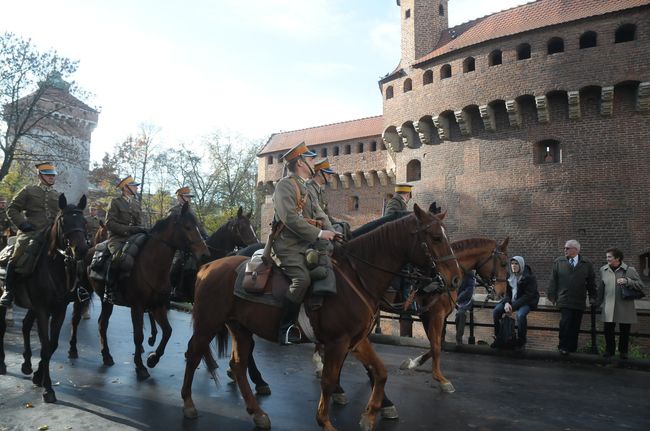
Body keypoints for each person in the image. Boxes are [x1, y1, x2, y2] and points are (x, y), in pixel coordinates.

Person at [271, 142, 338, 344]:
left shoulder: (306, 188)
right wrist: (319, 233)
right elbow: (290, 219)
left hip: (304, 245)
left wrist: (333, 233)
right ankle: (285, 328)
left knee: (326, 268)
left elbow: (319, 214)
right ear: (300, 163)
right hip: (286, 247)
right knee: (302, 280)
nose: (313, 163)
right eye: (310, 160)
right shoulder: (285, 186)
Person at [0, 163, 61, 306]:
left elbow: (60, 214)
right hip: (31, 231)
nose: (51, 177)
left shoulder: (57, 195)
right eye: (48, 175)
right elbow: (12, 209)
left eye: (53, 175)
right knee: (17, 256)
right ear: (40, 176)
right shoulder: (28, 190)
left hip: (51, 232)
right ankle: (8, 291)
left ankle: (74, 288)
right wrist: (22, 224)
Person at [547, 239, 597, 355]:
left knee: (575, 324)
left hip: (579, 299)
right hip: (564, 299)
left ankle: (572, 348)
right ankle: (563, 346)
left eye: (567, 248)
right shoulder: (559, 262)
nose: (565, 250)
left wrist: (593, 297)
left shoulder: (586, 264)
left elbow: (591, 282)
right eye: (565, 248)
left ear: (576, 250)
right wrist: (552, 296)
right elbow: (553, 280)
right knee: (565, 322)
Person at [597, 248, 646, 359]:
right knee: (608, 330)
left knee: (624, 330)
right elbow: (602, 287)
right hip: (609, 305)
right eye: (607, 257)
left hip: (625, 305)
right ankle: (609, 351)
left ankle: (623, 352)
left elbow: (641, 285)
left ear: (617, 258)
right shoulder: (603, 270)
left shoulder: (630, 270)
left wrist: (627, 281)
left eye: (609, 257)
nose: (607, 259)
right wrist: (597, 302)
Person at [104, 175, 146, 303]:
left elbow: (139, 223)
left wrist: (141, 229)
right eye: (134, 186)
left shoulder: (136, 204)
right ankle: (109, 289)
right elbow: (109, 223)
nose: (137, 188)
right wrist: (128, 230)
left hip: (134, 237)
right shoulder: (115, 202)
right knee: (119, 258)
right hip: (117, 239)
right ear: (126, 188)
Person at [168, 186, 207, 302]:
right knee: (177, 263)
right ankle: (171, 289)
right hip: (176, 244)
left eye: (190, 197)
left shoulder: (191, 211)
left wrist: (206, 237)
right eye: (187, 197)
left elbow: (198, 227)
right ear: (180, 197)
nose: (189, 199)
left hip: (189, 244)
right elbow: (170, 230)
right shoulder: (173, 211)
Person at [491, 256, 539, 349]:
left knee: (521, 315)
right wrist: (506, 303)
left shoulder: (529, 277)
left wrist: (512, 307)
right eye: (512, 263)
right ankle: (498, 338)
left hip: (526, 302)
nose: (513, 266)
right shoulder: (509, 275)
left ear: (521, 264)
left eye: (516, 263)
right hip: (512, 301)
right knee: (496, 311)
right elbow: (507, 292)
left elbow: (528, 296)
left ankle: (521, 342)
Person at [306, 158, 350, 239]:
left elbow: (326, 213)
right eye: (328, 174)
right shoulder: (309, 187)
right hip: (312, 229)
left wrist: (336, 223)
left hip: (320, 225)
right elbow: (318, 211)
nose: (330, 176)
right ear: (319, 173)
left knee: (343, 226)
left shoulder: (320, 190)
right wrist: (331, 229)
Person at [455, 270, 476, 345]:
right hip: (453, 298)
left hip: (465, 300)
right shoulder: (456, 273)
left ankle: (459, 338)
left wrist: (456, 298)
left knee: (460, 314)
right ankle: (441, 337)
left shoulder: (469, 275)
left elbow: (468, 291)